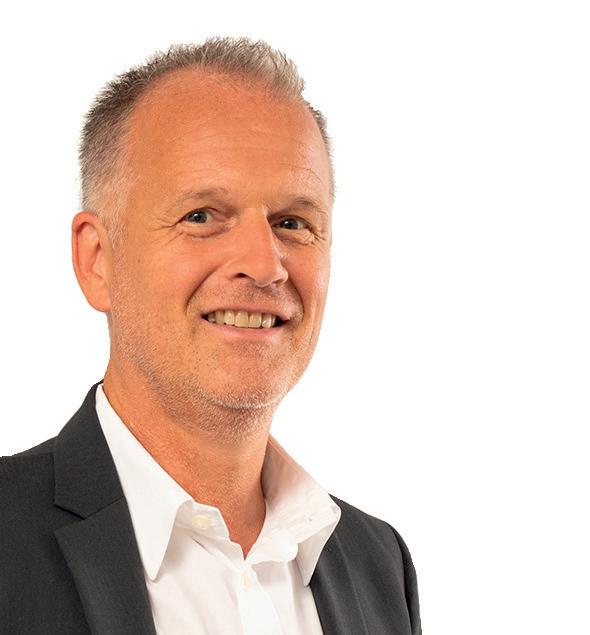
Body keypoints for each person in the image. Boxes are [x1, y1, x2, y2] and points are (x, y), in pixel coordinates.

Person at [0, 37, 421, 634]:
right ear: (98, 260)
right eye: (201, 216)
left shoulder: (378, 565)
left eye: (293, 222)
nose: (265, 264)